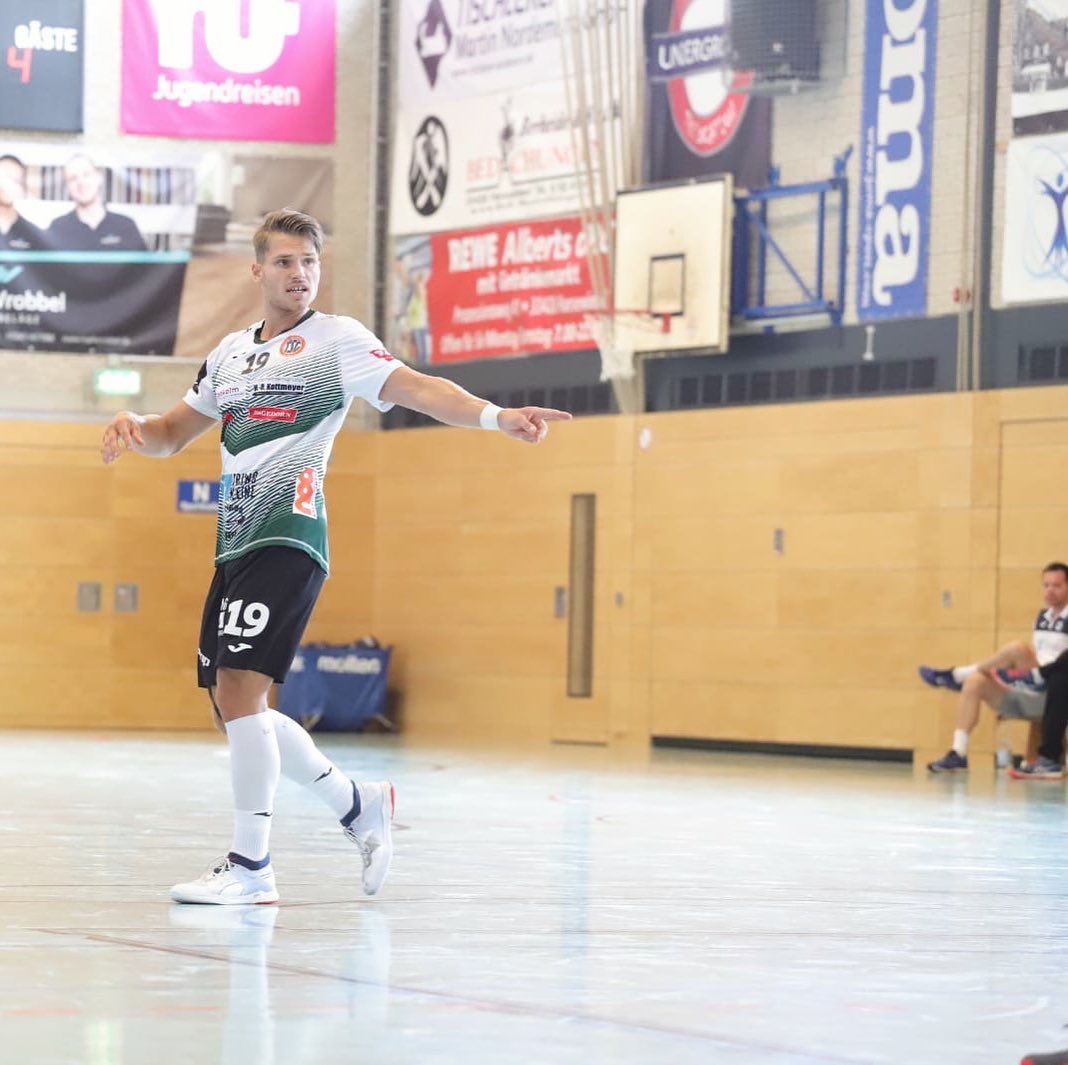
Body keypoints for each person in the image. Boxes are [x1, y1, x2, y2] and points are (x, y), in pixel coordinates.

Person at [100, 208, 571, 905]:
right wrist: (136, 425)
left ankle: (252, 868)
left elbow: (420, 388)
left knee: (240, 691)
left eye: (310, 262)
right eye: (285, 261)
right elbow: (172, 433)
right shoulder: (228, 354)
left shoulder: (337, 340)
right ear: (257, 270)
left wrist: (497, 416)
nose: (300, 274)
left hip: (290, 532)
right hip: (234, 542)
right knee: (234, 708)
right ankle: (357, 805)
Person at [919, 561, 1068, 775]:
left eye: (1056, 585)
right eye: (1046, 585)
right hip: (1030, 690)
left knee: (1017, 649)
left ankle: (957, 674)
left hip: (1055, 691)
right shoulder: (1042, 617)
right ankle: (958, 753)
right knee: (975, 682)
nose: (1050, 591)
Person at [48, 154, 147, 251]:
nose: (81, 182)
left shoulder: (126, 226)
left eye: (86, 174)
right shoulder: (58, 228)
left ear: (99, 177)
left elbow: (145, 261)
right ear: (67, 187)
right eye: (73, 178)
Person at [0, 154, 47, 251]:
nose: (8, 186)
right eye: (5, 178)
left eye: (15, 180)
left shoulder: (32, 235)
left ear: (22, 186)